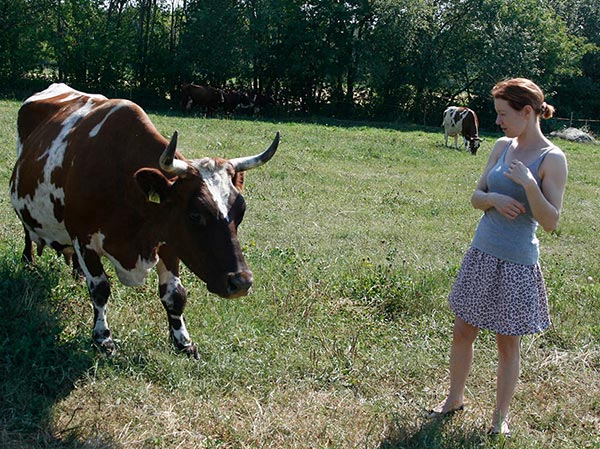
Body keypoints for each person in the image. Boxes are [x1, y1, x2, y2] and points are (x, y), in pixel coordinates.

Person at [428, 78, 568, 437]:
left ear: (527, 112)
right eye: (496, 114)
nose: (498, 121)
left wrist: (529, 185)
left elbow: (551, 221)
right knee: (463, 330)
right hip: (482, 252)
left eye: (504, 114)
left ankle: (499, 418)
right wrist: (494, 200)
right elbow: (477, 195)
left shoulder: (552, 158)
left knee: (508, 342)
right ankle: (453, 399)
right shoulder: (501, 146)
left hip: (517, 261)